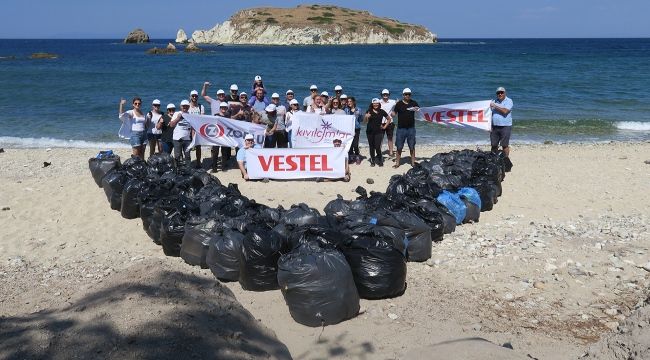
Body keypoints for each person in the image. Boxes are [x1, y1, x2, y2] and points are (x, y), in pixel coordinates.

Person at [391, 88, 420, 168]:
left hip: (411, 128)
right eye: (406, 94)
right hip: (401, 129)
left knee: (412, 146)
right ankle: (397, 163)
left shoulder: (414, 103)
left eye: (409, 94)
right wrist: (392, 113)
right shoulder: (399, 104)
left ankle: (413, 163)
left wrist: (418, 110)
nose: (407, 95)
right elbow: (394, 113)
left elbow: (420, 111)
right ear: (403, 95)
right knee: (399, 147)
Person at [364, 98, 391, 167]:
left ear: (379, 104)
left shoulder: (382, 111)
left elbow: (389, 119)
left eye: (377, 103)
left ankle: (380, 159)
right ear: (372, 104)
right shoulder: (369, 111)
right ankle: (372, 161)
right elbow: (365, 122)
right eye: (374, 103)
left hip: (379, 132)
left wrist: (385, 127)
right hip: (369, 131)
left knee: (377, 147)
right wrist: (366, 117)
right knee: (371, 147)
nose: (375, 104)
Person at [490, 86, 514, 157]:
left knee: (504, 145)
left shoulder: (509, 101)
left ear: (504, 93)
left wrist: (494, 106)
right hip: (494, 127)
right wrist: (489, 126)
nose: (500, 94)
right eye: (498, 93)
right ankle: (494, 160)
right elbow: (489, 114)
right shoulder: (493, 101)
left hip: (505, 126)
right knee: (494, 145)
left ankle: (506, 160)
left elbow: (505, 111)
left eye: (501, 92)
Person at [211, 102, 232, 172]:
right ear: (220, 108)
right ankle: (214, 168)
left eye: (225, 107)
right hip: (216, 136)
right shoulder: (215, 115)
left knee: (224, 152)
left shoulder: (228, 116)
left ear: (227, 108)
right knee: (215, 152)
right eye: (222, 107)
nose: (223, 109)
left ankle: (223, 167)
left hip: (225, 136)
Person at [169, 100, 192, 164]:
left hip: (187, 139)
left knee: (187, 155)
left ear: (189, 106)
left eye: (186, 106)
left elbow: (192, 127)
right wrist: (178, 118)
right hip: (177, 139)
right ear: (180, 106)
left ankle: (188, 168)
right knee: (177, 156)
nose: (185, 107)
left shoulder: (190, 115)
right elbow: (171, 125)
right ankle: (178, 169)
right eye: (183, 106)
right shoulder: (176, 113)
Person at [188, 90, 205, 168]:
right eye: (193, 96)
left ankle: (198, 162)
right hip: (188, 130)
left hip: (198, 130)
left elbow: (202, 119)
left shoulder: (201, 107)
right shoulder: (187, 106)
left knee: (198, 147)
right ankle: (188, 162)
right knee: (188, 146)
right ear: (190, 96)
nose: (194, 97)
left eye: (196, 96)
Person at [379, 89, 397, 157]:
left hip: (390, 122)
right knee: (380, 138)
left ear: (389, 95)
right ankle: (379, 152)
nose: (385, 95)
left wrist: (395, 112)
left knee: (390, 138)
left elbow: (400, 104)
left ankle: (391, 152)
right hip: (380, 122)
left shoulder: (392, 102)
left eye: (386, 94)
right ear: (382, 95)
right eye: (384, 94)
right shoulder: (378, 101)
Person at [345, 96, 362, 164]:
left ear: (353, 102)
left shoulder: (358, 109)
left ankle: (357, 156)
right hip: (348, 129)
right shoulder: (346, 110)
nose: (349, 103)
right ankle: (351, 157)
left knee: (355, 144)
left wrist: (355, 113)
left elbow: (361, 119)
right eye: (348, 102)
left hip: (356, 129)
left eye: (350, 101)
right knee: (350, 144)